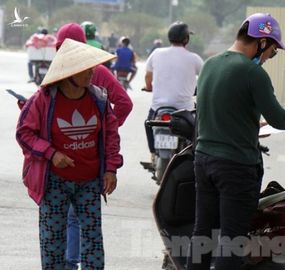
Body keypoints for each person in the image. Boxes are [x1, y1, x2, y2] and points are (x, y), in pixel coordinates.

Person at [186, 13, 285, 269]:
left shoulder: (210, 64)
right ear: (262, 42)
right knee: (231, 241)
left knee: (203, 234)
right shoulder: (252, 73)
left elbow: (211, 111)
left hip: (203, 160)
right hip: (236, 166)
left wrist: (248, 122)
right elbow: (279, 119)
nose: (268, 58)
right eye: (272, 52)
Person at [16, 38, 122, 269]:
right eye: (86, 69)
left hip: (89, 181)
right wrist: (52, 154)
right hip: (54, 181)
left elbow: (111, 136)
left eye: (92, 67)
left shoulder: (99, 99)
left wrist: (111, 169)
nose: (92, 73)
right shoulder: (42, 100)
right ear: (69, 73)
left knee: (93, 239)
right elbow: (24, 134)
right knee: (52, 240)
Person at [54, 22, 133, 270]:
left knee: (75, 215)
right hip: (59, 159)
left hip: (86, 157)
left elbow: (124, 103)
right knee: (65, 216)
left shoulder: (95, 71)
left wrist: (102, 130)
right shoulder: (56, 72)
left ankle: (71, 262)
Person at [142, 21, 203, 164]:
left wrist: (148, 86)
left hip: (159, 108)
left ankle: (152, 153)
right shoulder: (194, 58)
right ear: (186, 39)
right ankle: (191, 156)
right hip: (184, 110)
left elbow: (147, 76)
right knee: (196, 131)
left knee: (148, 123)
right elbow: (206, 76)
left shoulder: (156, 53)